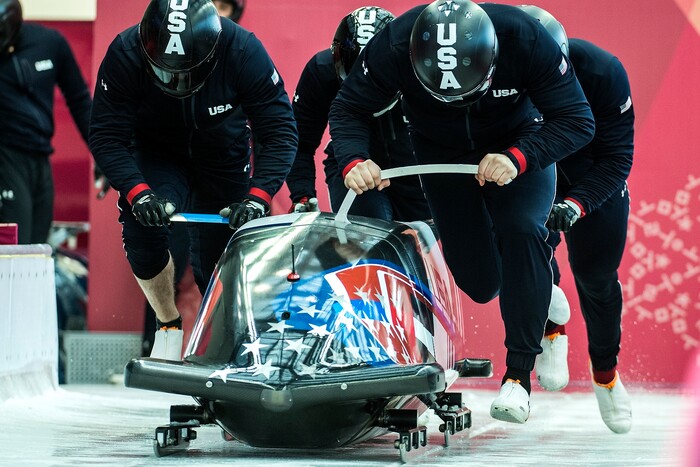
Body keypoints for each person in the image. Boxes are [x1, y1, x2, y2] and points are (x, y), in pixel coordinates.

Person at [328, 0, 595, 424]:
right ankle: (540, 289)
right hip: (441, 149)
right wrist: (354, 159)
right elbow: (348, 106)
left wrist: (520, 157)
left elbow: (578, 119)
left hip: (516, 140)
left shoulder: (523, 36)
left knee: (522, 228)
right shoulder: (395, 43)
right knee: (480, 283)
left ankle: (518, 378)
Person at [88, 0, 298, 361]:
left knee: (219, 259)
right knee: (142, 229)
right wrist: (137, 192)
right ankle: (168, 322)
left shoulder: (243, 50)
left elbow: (280, 131)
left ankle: (227, 348)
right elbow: (107, 134)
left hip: (223, 154)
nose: (178, 84)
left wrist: (258, 197)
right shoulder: (126, 52)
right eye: (168, 74)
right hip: (158, 151)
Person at [517, 5, 634, 434]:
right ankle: (553, 330)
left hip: (592, 179)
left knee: (596, 277)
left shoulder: (603, 72)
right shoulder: (499, 77)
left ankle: (606, 372)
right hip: (533, 170)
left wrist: (578, 203)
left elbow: (617, 158)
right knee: (524, 242)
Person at [286, 6, 431, 222]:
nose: (362, 86)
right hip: (352, 166)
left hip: (413, 168)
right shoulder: (320, 72)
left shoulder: (421, 67)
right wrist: (303, 195)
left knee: (421, 242)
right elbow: (299, 141)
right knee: (367, 242)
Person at [0, 0, 92, 244]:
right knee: (14, 247)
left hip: (41, 159)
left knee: (39, 248)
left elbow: (80, 100)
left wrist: (103, 156)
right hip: (6, 158)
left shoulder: (50, 43)